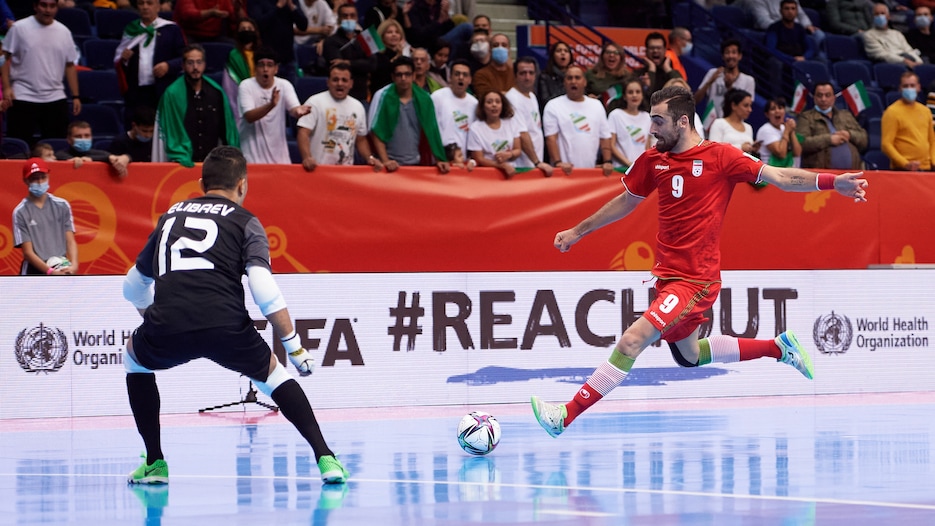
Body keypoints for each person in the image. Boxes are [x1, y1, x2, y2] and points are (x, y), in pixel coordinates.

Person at [530, 85, 869, 439]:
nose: (652, 130)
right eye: (651, 121)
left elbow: (782, 178)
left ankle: (565, 415)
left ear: (683, 121)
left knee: (632, 341)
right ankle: (778, 347)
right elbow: (626, 201)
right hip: (666, 276)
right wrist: (577, 231)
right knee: (690, 356)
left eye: (658, 122)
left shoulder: (721, 157)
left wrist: (832, 182)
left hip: (695, 280)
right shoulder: (652, 159)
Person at [121, 145, 349, 486]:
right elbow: (261, 285)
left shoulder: (170, 217)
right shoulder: (246, 221)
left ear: (201, 183)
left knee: (133, 360)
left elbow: (132, 286)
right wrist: (294, 345)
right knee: (273, 375)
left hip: (168, 323)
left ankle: (155, 462)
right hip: (226, 325)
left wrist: (154, 316)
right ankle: (326, 457)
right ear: (242, 185)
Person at [0, 0, 81, 146]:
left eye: (52, 6)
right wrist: (6, 87)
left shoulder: (64, 32)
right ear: (35, 6)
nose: (47, 10)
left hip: (55, 97)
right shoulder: (19, 28)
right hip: (22, 95)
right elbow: (4, 57)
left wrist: (75, 96)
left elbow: (70, 65)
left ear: (57, 7)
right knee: (18, 148)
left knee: (56, 149)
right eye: (44, 5)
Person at [153, 44, 240, 167]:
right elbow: (169, 132)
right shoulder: (172, 94)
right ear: (183, 66)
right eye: (190, 63)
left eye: (199, 62)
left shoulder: (216, 93)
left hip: (212, 165)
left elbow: (226, 131)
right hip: (181, 165)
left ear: (204, 64)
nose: (195, 67)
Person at [114, 0, 187, 129]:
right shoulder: (131, 29)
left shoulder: (171, 29)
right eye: (141, 3)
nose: (145, 7)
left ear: (158, 7)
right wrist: (124, 60)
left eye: (150, 3)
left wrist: (168, 66)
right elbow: (119, 61)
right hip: (136, 93)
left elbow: (184, 58)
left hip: (162, 90)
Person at [370, 56, 450, 172]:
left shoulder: (425, 99)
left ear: (413, 76)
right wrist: (385, 160)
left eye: (407, 74)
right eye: (399, 75)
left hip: (416, 164)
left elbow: (432, 131)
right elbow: (377, 132)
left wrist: (439, 158)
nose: (403, 78)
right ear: (393, 77)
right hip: (390, 165)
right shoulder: (382, 96)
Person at [297, 62, 380, 170]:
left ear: (351, 83)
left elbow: (361, 140)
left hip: (345, 172)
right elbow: (303, 133)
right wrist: (307, 158)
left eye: (344, 80)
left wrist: (369, 158)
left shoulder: (358, 107)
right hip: (317, 170)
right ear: (328, 82)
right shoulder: (314, 102)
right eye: (335, 80)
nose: (340, 84)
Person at [238, 47, 310, 164]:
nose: (265, 69)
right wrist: (271, 105)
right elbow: (249, 117)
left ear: (276, 68)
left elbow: (294, 109)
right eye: (261, 65)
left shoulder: (284, 85)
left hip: (280, 159)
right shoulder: (246, 86)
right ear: (255, 67)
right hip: (251, 158)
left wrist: (299, 111)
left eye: (270, 65)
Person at [542, 65, 613, 176]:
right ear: (564, 82)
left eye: (577, 77)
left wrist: (607, 161)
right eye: (569, 78)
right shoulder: (553, 106)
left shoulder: (597, 105)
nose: (573, 81)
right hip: (564, 172)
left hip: (590, 172)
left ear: (584, 82)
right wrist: (558, 162)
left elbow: (605, 137)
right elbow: (551, 138)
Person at [13, 158, 79, 276]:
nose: (39, 182)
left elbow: (70, 241)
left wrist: (74, 265)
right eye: (34, 178)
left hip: (61, 266)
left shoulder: (62, 205)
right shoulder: (20, 212)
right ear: (26, 181)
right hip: (33, 271)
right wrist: (50, 272)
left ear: (48, 177)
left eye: (43, 177)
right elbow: (28, 252)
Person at [796, 81, 867, 169]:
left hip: (852, 173)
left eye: (827, 95)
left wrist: (850, 134)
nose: (823, 99)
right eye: (819, 95)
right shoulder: (806, 117)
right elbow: (801, 143)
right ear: (814, 98)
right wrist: (829, 139)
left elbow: (864, 139)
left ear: (834, 98)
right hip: (821, 175)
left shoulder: (846, 115)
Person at [505, 56, 553, 175]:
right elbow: (522, 134)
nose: (527, 77)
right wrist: (536, 162)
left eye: (531, 73)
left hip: (535, 161)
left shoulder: (532, 96)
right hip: (522, 165)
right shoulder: (512, 98)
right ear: (515, 75)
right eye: (523, 73)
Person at [322, 3, 376, 104]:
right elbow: (338, 66)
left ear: (357, 18)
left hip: (361, 96)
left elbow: (373, 64)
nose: (349, 18)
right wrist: (361, 64)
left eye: (352, 16)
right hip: (337, 96)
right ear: (339, 19)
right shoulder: (330, 41)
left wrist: (348, 62)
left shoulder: (366, 38)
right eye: (345, 16)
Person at [881, 71, 935, 170]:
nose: (909, 89)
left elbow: (932, 140)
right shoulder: (892, 112)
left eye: (912, 85)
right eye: (906, 86)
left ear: (918, 87)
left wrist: (933, 161)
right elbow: (886, 144)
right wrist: (905, 163)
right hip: (903, 169)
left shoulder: (925, 111)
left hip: (927, 168)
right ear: (900, 88)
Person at [694, 38, 755, 121]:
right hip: (710, 126)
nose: (730, 56)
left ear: (740, 56)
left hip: (733, 127)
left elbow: (746, 108)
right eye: (727, 52)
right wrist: (710, 81)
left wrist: (730, 87)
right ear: (722, 56)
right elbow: (695, 101)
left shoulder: (748, 80)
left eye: (734, 52)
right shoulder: (713, 73)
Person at [249, 0, 308, 84]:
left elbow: (303, 26)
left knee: (289, 93)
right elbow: (258, 24)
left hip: (288, 60)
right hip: (266, 61)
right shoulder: (258, 2)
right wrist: (278, 7)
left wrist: (293, 7)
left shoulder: (291, 1)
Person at [466, 90, 522, 179]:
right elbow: (479, 159)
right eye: (489, 102)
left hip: (511, 172)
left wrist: (509, 154)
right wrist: (502, 165)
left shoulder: (511, 123)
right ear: (483, 106)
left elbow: (518, 150)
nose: (494, 105)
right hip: (488, 176)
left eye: (498, 102)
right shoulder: (475, 128)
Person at [431, 59, 477, 155]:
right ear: (450, 77)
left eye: (465, 75)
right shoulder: (437, 97)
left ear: (470, 80)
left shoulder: (474, 103)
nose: (461, 78)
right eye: (457, 74)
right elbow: (431, 128)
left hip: (463, 160)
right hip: (441, 157)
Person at [743, 0, 825, 54]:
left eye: (792, 9)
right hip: (776, 29)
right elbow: (763, 21)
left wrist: (807, 25)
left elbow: (801, 14)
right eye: (787, 9)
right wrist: (784, 26)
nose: (790, 11)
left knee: (819, 34)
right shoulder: (757, 1)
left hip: (795, 28)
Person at [222, 18, 262, 127]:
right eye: (243, 29)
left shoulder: (263, 54)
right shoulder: (234, 55)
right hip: (240, 97)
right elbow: (229, 85)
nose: (246, 31)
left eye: (249, 28)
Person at [55, 120, 132, 176]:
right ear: (69, 139)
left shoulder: (100, 154)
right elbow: (59, 156)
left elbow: (111, 157)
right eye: (78, 136)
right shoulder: (61, 155)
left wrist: (127, 157)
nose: (83, 139)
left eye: (87, 136)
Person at [608, 78, 652, 169]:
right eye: (630, 92)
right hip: (620, 169)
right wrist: (629, 164)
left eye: (638, 92)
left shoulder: (647, 117)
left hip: (641, 169)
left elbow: (647, 147)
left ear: (642, 95)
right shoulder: (615, 115)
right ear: (624, 96)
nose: (634, 95)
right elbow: (611, 145)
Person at [708, 89, 759, 155]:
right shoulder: (719, 123)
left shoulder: (748, 127)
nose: (750, 110)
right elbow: (714, 149)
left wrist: (752, 148)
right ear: (734, 106)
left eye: (750, 106)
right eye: (746, 105)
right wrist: (740, 147)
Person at [634, 32, 682, 102]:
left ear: (665, 50)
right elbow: (649, 97)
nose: (655, 51)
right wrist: (651, 71)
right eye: (652, 48)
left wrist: (668, 69)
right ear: (646, 51)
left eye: (659, 48)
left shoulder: (670, 73)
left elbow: (682, 90)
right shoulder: (638, 74)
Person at [756, 97, 801, 169]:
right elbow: (781, 154)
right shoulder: (765, 130)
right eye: (773, 109)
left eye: (780, 108)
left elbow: (797, 153)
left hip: (785, 171)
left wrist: (791, 131)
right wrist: (786, 132)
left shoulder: (784, 128)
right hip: (769, 173)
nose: (777, 111)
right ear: (767, 114)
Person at [370, 19, 411, 98]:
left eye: (397, 32)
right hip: (381, 96)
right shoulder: (377, 56)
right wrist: (398, 55)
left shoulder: (403, 56)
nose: (394, 35)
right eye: (389, 32)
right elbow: (386, 73)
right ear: (382, 36)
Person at [173, 0, 237, 43]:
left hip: (214, 36)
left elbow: (234, 18)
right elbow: (188, 15)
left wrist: (238, 8)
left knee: (236, 47)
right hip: (189, 34)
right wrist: (210, 13)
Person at [472, 33, 514, 98]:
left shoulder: (516, 74)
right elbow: (486, 97)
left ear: (509, 49)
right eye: (496, 45)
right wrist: (513, 95)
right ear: (490, 49)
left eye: (504, 45)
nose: (500, 48)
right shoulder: (481, 74)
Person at [536, 41, 572, 115]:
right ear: (553, 56)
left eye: (566, 51)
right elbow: (545, 101)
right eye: (559, 51)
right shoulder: (544, 76)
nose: (563, 53)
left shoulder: (575, 76)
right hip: (553, 114)